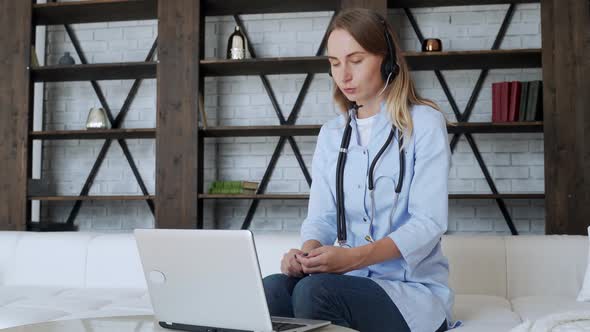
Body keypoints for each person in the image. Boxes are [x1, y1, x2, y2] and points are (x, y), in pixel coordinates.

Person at [263, 8, 456, 332]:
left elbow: (428, 223)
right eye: (335, 63)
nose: (344, 76)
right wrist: (306, 256)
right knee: (272, 289)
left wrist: (352, 258)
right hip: (345, 284)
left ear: (387, 60)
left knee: (315, 293)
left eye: (356, 60)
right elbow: (322, 218)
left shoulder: (425, 123)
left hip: (411, 293)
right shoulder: (332, 134)